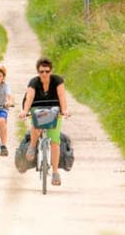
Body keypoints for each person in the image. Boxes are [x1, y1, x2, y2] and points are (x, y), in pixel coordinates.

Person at [19, 57, 71, 186]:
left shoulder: (57, 80)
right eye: (41, 71)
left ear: (51, 71)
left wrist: (64, 110)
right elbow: (29, 97)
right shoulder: (34, 82)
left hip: (54, 110)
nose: (44, 74)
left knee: (54, 141)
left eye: (47, 71)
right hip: (37, 107)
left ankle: (55, 172)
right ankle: (32, 146)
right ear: (38, 72)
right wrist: (25, 111)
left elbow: (62, 96)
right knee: (36, 124)